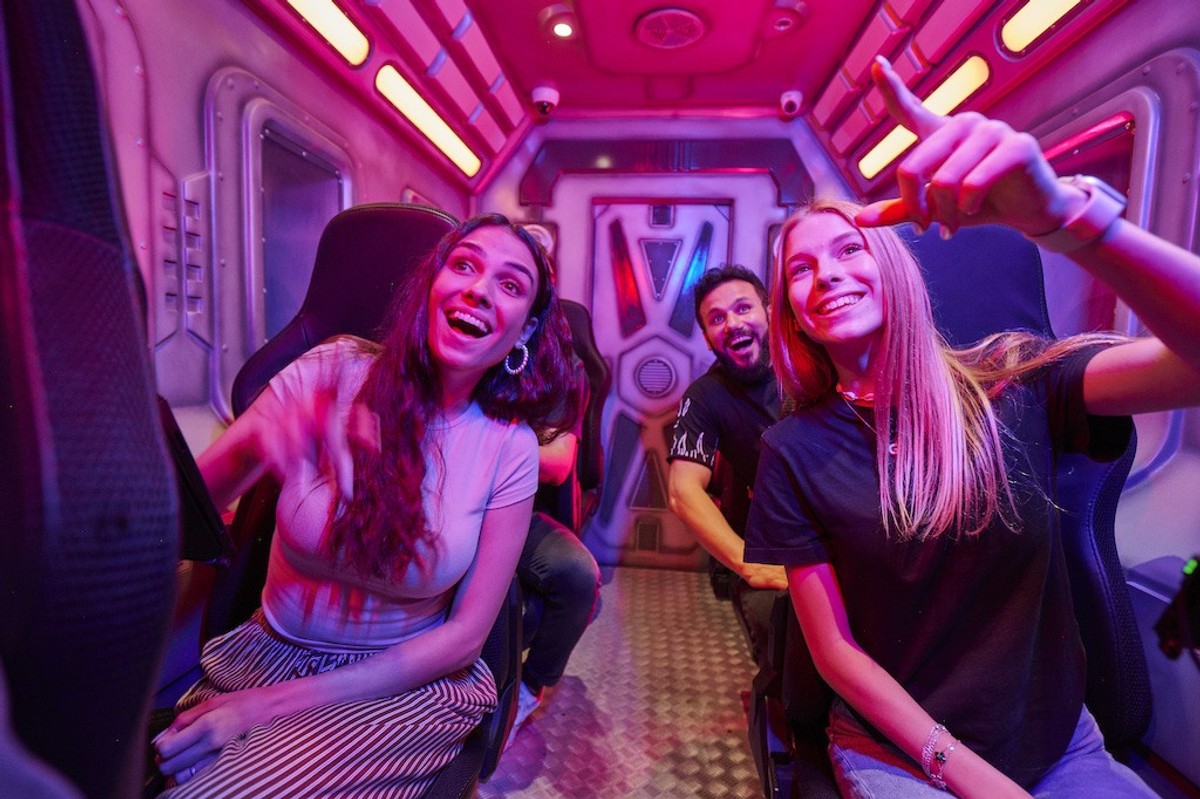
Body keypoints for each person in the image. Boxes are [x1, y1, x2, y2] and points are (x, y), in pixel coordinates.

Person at [745, 54, 1200, 798]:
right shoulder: (791, 449)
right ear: (791, 313)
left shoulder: (1016, 381)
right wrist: (973, 777)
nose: (825, 274)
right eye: (800, 269)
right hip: (901, 748)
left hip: (1060, 741)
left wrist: (1069, 223)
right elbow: (834, 653)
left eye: (849, 249)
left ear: (893, 269)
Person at [152, 213, 578, 798]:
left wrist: (261, 709)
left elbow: (463, 638)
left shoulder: (510, 447)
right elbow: (177, 525)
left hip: (399, 689)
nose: (479, 289)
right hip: (261, 658)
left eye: (510, 284)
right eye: (464, 265)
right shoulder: (331, 370)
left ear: (524, 331)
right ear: (432, 286)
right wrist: (257, 444)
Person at [666, 265, 822, 731]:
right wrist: (747, 563)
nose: (732, 323)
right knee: (779, 626)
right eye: (716, 319)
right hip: (781, 541)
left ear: (769, 312)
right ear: (708, 337)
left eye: (742, 308)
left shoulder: (815, 362)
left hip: (847, 525)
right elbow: (682, 491)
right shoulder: (704, 396)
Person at [506, 423, 602, 746]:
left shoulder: (554, 384)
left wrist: (487, 445)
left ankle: (527, 690)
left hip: (516, 508)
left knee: (579, 576)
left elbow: (559, 463)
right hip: (451, 504)